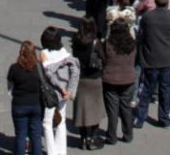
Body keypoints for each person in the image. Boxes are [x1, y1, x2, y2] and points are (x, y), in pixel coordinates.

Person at [133, 0, 170, 129]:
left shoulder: (148, 17)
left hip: (150, 58)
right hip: (167, 58)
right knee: (165, 90)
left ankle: (140, 118)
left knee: (146, 88)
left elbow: (142, 34)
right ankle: (164, 118)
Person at [40, 26, 80, 155]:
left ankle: (52, 152)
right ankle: (62, 152)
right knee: (61, 121)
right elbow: (75, 72)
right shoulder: (65, 53)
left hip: (51, 94)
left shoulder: (44, 54)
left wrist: (61, 88)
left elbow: (48, 75)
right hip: (64, 95)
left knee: (47, 122)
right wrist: (69, 90)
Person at [71, 16, 107, 150]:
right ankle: (92, 137)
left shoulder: (76, 40)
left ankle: (83, 138)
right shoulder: (95, 42)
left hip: (80, 79)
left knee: (81, 110)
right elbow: (103, 58)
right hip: (94, 79)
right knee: (95, 109)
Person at [101, 21, 136, 145]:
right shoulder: (132, 44)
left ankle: (111, 136)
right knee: (126, 107)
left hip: (110, 80)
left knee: (112, 110)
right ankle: (128, 134)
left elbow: (103, 59)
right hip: (128, 79)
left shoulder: (108, 44)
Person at [7, 41, 43, 155]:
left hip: (19, 105)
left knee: (20, 135)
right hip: (35, 105)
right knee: (36, 136)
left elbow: (10, 87)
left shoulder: (14, 68)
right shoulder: (38, 68)